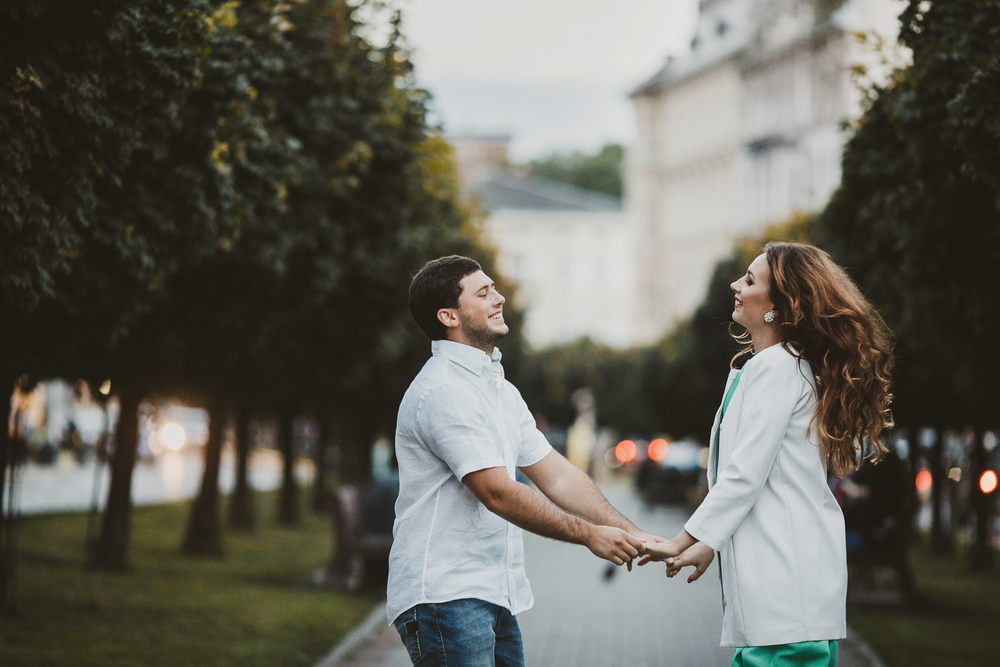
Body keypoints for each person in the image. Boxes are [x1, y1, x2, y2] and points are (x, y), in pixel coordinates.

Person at [387, 255, 656, 667]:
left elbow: (558, 475)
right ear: (449, 315)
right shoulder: (444, 390)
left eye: (494, 288)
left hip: (492, 593)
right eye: (483, 292)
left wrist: (629, 531)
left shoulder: (498, 389)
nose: (499, 298)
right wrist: (588, 535)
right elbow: (497, 492)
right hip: (446, 598)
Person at [641, 242, 894, 667]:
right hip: (787, 590)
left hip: (786, 591)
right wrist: (707, 543)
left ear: (782, 305)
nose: (735, 285)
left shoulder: (777, 367)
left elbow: (743, 475)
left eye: (750, 280)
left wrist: (687, 539)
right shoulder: (773, 365)